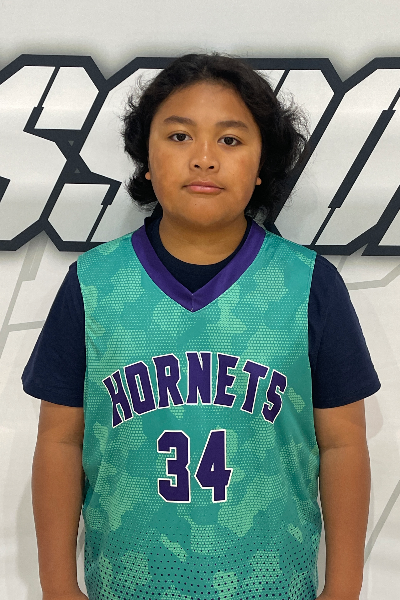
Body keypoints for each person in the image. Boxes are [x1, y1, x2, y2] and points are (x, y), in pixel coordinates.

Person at [23, 53, 380, 600]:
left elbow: (343, 445)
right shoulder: (94, 284)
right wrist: (56, 586)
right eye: (180, 136)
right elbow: (59, 440)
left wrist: (345, 587)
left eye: (230, 140)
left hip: (273, 587)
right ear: (146, 158)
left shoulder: (309, 284)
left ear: (262, 164)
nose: (205, 158)